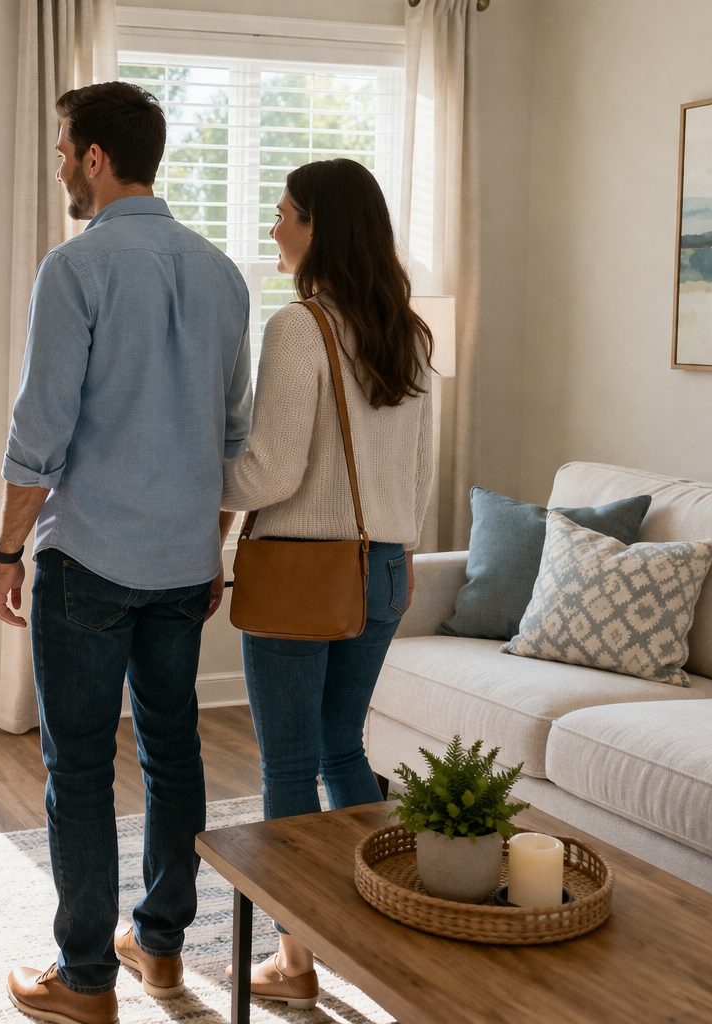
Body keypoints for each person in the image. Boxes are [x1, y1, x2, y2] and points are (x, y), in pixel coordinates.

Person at [0, 83, 252, 1024]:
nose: (61, 166)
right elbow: (230, 442)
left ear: (96, 156)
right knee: (176, 753)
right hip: (184, 563)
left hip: (90, 561)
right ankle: (166, 950)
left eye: (65, 150)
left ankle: (88, 980)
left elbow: (41, 432)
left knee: (81, 768)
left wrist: (6, 549)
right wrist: (212, 548)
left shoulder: (77, 267)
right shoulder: (223, 274)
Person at [220, 157, 435, 1006]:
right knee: (346, 750)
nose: (275, 229)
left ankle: (296, 958)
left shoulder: (300, 327)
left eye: (286, 215)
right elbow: (420, 473)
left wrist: (204, 481)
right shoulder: (409, 332)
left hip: (304, 572)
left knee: (287, 764)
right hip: (383, 570)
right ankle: (387, 928)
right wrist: (401, 549)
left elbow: (270, 471)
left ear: (321, 228)